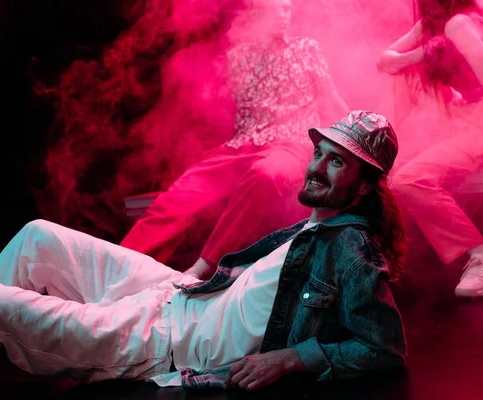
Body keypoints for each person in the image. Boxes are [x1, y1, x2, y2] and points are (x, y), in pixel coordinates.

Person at [0, 110, 406, 391]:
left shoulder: (353, 251)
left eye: (336, 161)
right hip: (177, 293)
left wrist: (291, 358)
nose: (315, 168)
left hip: (162, 341)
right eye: (319, 153)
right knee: (38, 235)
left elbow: (384, 349)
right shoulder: (316, 226)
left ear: (364, 186)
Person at [119, 0, 349, 278]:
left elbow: (330, 100)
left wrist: (356, 142)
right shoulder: (238, 56)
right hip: (243, 144)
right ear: (254, 15)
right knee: (180, 196)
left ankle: (204, 267)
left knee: (265, 175)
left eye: (286, 9)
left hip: (290, 143)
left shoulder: (307, 49)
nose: (281, 17)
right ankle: (118, 265)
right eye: (271, 10)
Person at [376, 0, 483, 298]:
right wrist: (427, 52)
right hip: (458, 116)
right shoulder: (433, 26)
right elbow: (384, 61)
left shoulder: (461, 24)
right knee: (404, 72)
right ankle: (381, 145)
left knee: (409, 180)